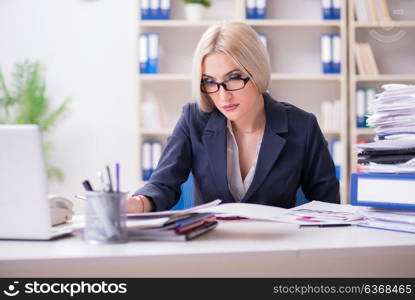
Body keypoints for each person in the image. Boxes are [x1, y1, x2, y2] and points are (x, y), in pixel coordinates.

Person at [127, 21, 340, 213]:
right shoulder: (193, 120)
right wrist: (137, 203)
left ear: (257, 71)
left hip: (276, 250)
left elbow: (328, 208)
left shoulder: (302, 126)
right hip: (212, 247)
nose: (223, 95)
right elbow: (163, 184)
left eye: (234, 78)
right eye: (210, 81)